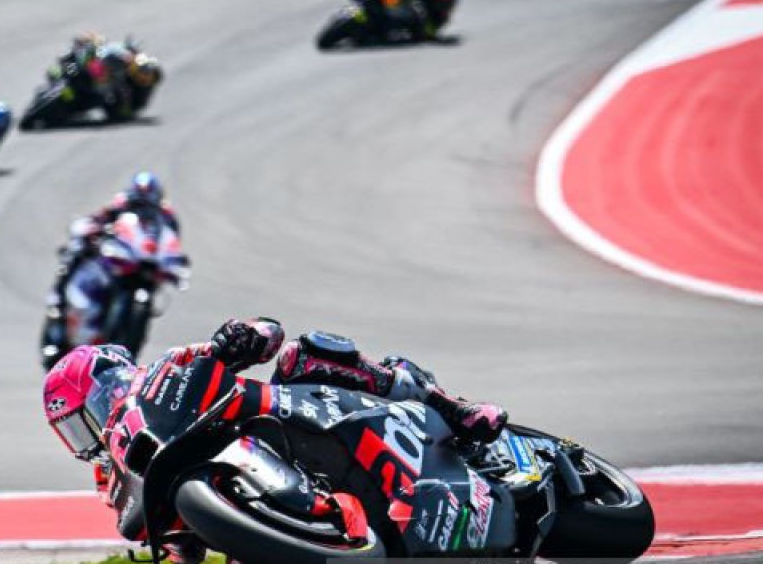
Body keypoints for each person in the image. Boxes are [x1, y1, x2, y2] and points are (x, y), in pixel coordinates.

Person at [42, 317, 507, 564]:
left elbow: (267, 333)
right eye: (74, 432)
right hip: (246, 529)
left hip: (273, 415)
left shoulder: (167, 367)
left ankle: (452, 407)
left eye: (87, 412)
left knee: (304, 354)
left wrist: (236, 337)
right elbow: (178, 546)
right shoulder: (112, 481)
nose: (90, 432)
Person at [45, 172, 181, 332]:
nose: (144, 203)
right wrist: (96, 228)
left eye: (148, 198)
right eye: (140, 197)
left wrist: (173, 260)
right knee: (79, 248)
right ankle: (58, 298)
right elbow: (101, 217)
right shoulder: (122, 202)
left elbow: (173, 239)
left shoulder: (167, 215)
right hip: (120, 252)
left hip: (146, 260)